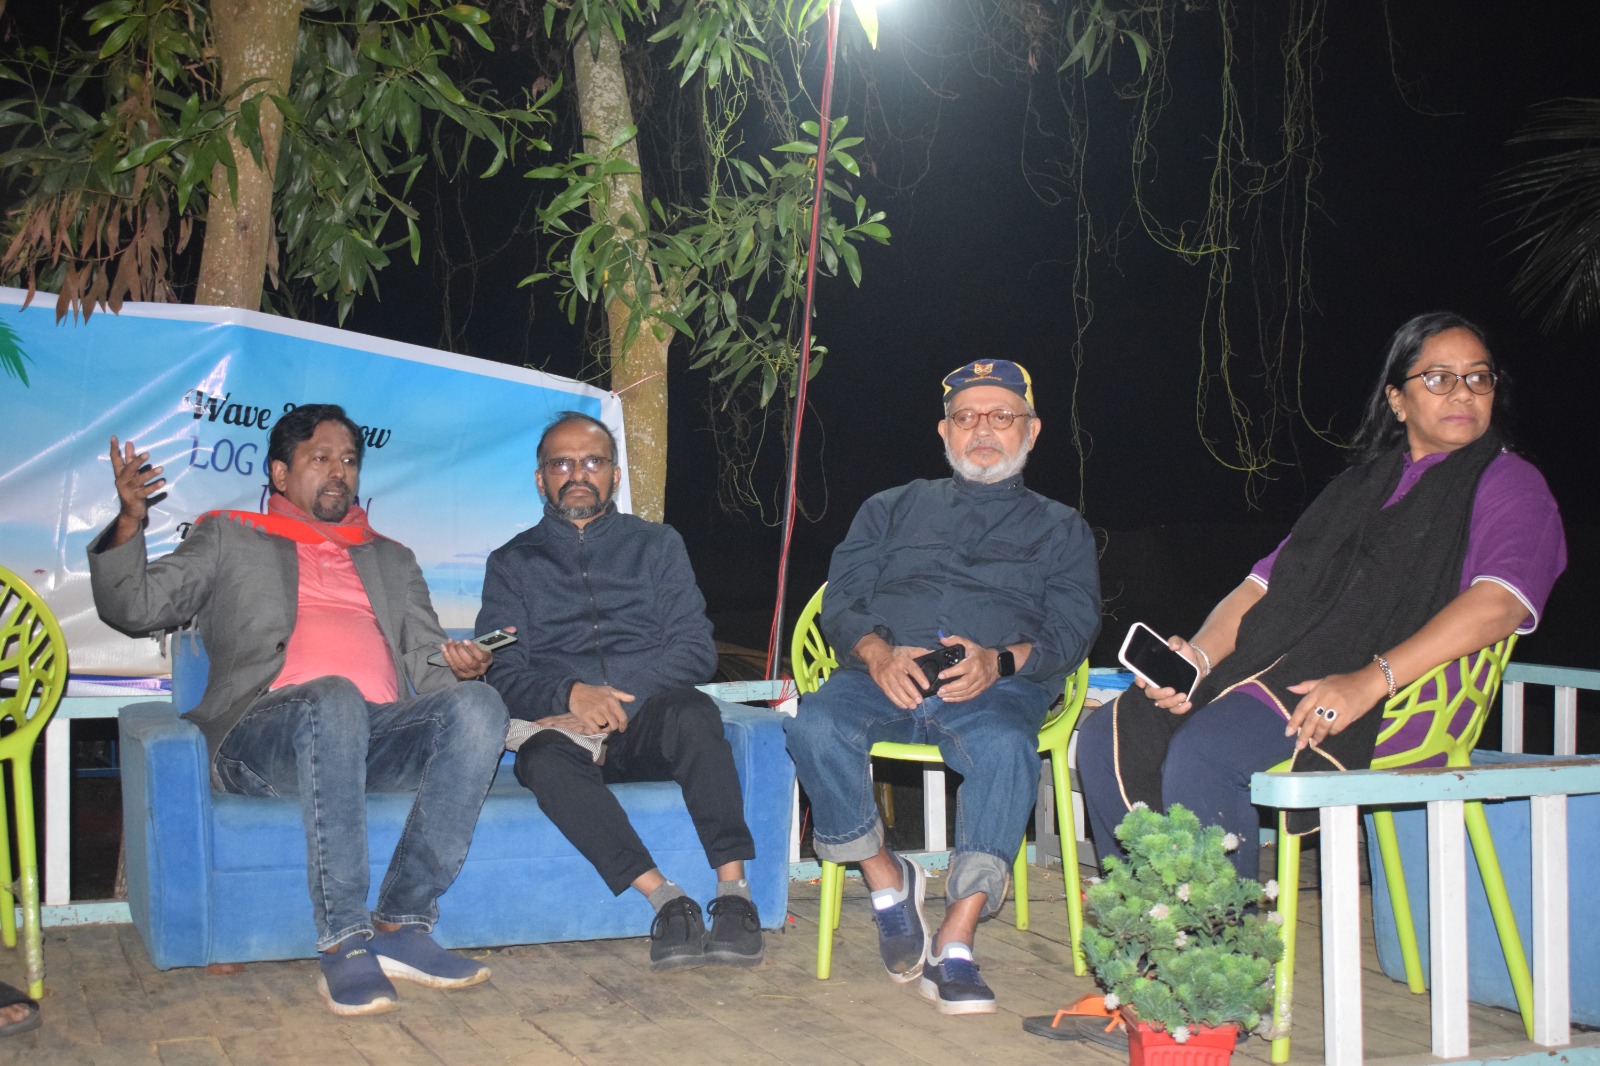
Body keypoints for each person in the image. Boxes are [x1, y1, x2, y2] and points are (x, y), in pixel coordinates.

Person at [1077, 311, 1567, 884]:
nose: (1463, 393)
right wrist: (1201, 658)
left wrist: (1369, 680)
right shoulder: (1358, 486)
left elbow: (1501, 603)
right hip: (1271, 672)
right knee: (1112, 732)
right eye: (1439, 378)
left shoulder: (1510, 483)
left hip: (1395, 700)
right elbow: (1262, 587)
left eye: (1478, 377)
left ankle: (1220, 936)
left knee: (1204, 751)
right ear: (1397, 400)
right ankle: (1153, 912)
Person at [88, 403, 509, 1017]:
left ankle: (402, 924)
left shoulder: (391, 558)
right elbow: (134, 607)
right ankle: (343, 941)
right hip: (262, 738)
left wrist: (463, 668)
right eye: (321, 458)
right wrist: (130, 519)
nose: (339, 472)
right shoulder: (231, 535)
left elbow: (427, 666)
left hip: (372, 737)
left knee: (480, 707)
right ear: (280, 474)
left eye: (349, 460)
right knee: (332, 696)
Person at [784, 359, 1102, 1015]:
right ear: (944, 430)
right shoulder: (889, 508)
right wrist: (875, 652)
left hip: (995, 690)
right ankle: (886, 878)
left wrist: (1000, 662)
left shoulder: (1060, 526)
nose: (982, 430)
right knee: (813, 725)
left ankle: (956, 938)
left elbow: (1073, 629)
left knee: (1006, 747)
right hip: (883, 679)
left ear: (1032, 430)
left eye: (1001, 416)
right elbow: (840, 602)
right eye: (966, 417)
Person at [476, 412, 763, 972]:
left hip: (648, 722)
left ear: (614, 475)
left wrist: (609, 698)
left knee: (694, 711)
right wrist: (570, 694)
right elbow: (504, 673)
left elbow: (695, 650)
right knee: (538, 758)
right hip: (568, 734)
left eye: (593, 461)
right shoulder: (512, 563)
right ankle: (666, 900)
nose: (577, 474)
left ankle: (734, 895)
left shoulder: (656, 545)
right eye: (561, 463)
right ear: (540, 478)